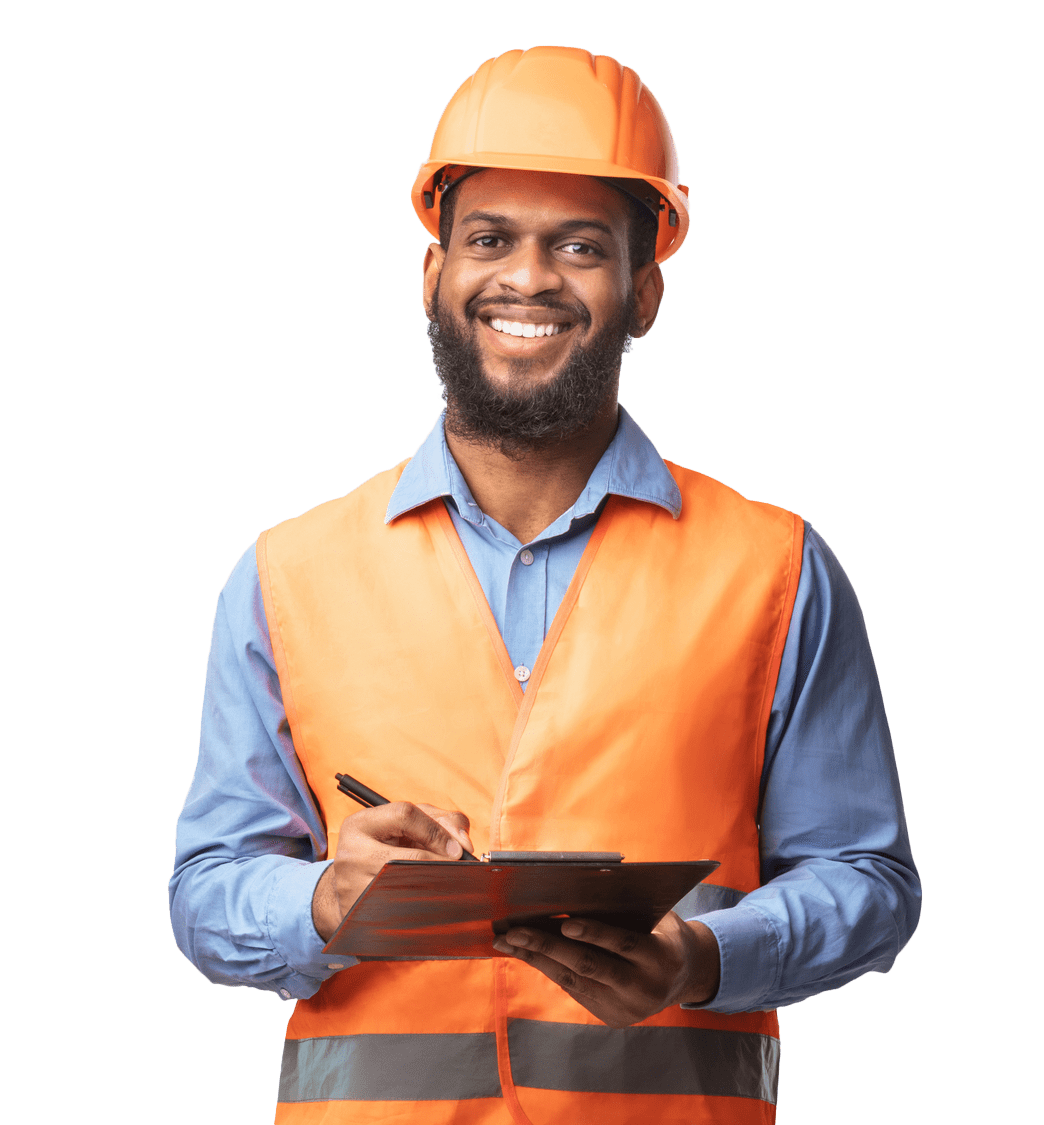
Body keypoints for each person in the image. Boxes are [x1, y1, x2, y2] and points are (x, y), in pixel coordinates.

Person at [170, 45, 921, 1124]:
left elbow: (867, 881)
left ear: (642, 291)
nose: (526, 279)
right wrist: (323, 899)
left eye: (579, 246)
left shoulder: (775, 569)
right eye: (489, 239)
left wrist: (703, 957)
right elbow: (205, 893)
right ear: (432, 274)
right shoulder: (287, 574)